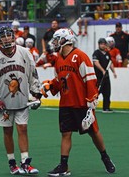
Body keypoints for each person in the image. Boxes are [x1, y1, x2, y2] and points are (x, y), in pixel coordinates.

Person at [40, 28, 116, 176]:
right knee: (65, 134)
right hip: (66, 103)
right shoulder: (58, 59)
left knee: (93, 132)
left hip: (81, 103)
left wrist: (92, 99)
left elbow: (90, 79)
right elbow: (59, 81)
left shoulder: (80, 56)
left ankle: (105, 158)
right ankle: (63, 165)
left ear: (65, 40)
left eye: (57, 39)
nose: (54, 43)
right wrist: (49, 86)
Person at [0, 26, 42, 175]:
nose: (7, 39)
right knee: (7, 131)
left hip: (22, 100)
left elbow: (32, 73)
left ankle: (25, 162)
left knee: (23, 129)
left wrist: (36, 93)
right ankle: (12, 163)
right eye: (4, 36)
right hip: (3, 103)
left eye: (9, 36)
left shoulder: (24, 52)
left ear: (13, 37)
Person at [93, 38, 117, 112]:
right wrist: (102, 70)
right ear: (99, 44)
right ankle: (91, 106)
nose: (103, 45)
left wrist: (114, 72)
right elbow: (96, 62)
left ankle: (106, 107)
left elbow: (110, 63)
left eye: (104, 44)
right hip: (98, 76)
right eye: (101, 44)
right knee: (97, 91)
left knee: (107, 92)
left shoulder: (107, 54)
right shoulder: (96, 53)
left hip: (106, 76)